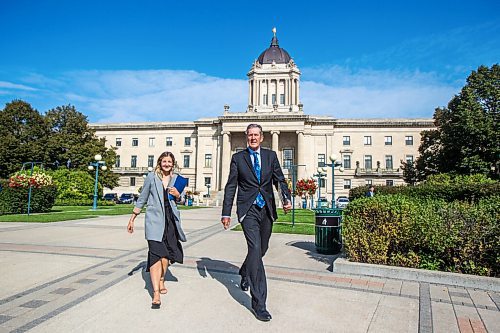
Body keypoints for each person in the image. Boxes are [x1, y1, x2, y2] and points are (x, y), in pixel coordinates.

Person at [221, 123, 292, 322]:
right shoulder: (238, 158)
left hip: (266, 209)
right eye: (250, 135)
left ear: (262, 137)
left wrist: (286, 198)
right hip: (248, 209)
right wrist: (226, 213)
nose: (253, 138)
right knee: (255, 250)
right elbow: (230, 186)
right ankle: (259, 303)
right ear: (246, 137)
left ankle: (244, 271)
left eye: (256, 135)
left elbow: (280, 180)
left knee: (262, 248)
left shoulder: (270, 156)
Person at [127, 152, 186, 309]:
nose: (167, 164)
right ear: (159, 163)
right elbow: (143, 197)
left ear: (173, 164)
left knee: (165, 256)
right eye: (164, 161)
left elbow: (183, 200)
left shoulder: (178, 179)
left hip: (171, 221)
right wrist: (133, 218)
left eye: (169, 162)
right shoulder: (152, 177)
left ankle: (161, 279)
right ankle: (156, 294)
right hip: (154, 221)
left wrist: (178, 195)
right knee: (155, 255)